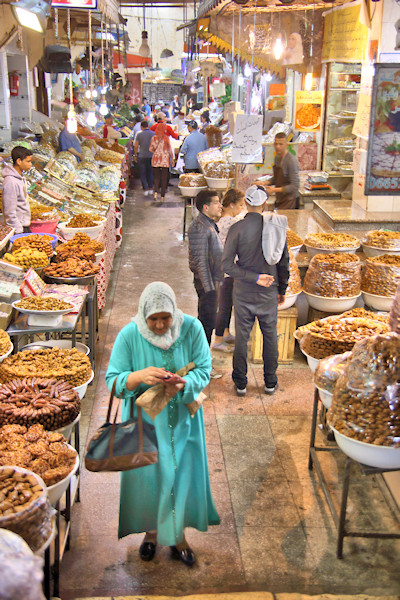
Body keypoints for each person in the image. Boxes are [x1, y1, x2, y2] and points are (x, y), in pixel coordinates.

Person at [105, 281, 220, 566]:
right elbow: (113, 381)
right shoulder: (130, 335)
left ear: (174, 312)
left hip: (184, 423)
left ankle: (178, 537)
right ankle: (151, 534)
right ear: (143, 315)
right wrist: (138, 376)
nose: (159, 325)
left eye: (165, 318)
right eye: (153, 319)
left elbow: (205, 369)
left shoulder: (191, 329)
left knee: (181, 477)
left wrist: (184, 385)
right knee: (150, 480)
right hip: (145, 428)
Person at [222, 185, 289, 396]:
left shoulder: (237, 229)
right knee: (270, 336)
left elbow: (227, 265)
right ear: (264, 203)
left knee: (242, 337)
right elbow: (283, 263)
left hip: (243, 292)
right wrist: (283, 289)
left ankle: (240, 384)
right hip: (269, 291)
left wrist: (253, 278)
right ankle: (270, 382)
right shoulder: (277, 227)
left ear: (247, 204)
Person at [188, 190, 223, 378]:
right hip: (207, 284)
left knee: (207, 322)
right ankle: (203, 366)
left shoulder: (208, 223)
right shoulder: (199, 228)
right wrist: (209, 289)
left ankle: (201, 360)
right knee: (206, 323)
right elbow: (200, 261)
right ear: (205, 207)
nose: (220, 206)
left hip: (212, 281)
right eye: (217, 203)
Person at [213, 189, 246, 353]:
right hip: (227, 272)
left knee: (227, 303)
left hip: (224, 270)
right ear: (231, 204)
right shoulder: (230, 223)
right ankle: (218, 339)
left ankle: (226, 333)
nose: (241, 209)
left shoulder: (222, 221)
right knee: (225, 305)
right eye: (240, 205)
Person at [265, 132, 300, 210]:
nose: (278, 147)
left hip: (291, 201)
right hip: (280, 199)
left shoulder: (291, 160)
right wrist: (265, 183)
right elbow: (277, 178)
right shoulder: (277, 157)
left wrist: (274, 190)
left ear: (286, 145)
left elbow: (295, 186)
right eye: (276, 144)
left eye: (281, 144)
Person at [2, 146, 32, 234]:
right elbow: (9, 211)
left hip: (23, 225)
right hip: (18, 228)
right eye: (28, 161)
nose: (30, 164)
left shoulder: (20, 178)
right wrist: (18, 230)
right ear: (19, 161)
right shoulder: (11, 182)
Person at [149, 122, 174, 203]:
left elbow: (150, 149)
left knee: (156, 177)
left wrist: (156, 152)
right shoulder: (166, 138)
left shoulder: (154, 138)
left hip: (156, 159)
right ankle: (162, 196)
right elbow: (170, 150)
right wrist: (172, 159)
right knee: (164, 178)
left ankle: (155, 193)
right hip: (165, 160)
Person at [134, 120, 155, 196]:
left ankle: (145, 189)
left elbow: (136, 146)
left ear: (141, 127)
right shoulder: (153, 134)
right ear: (148, 126)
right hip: (151, 156)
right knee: (150, 172)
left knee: (143, 173)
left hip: (142, 156)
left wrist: (135, 155)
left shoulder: (139, 134)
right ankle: (151, 188)